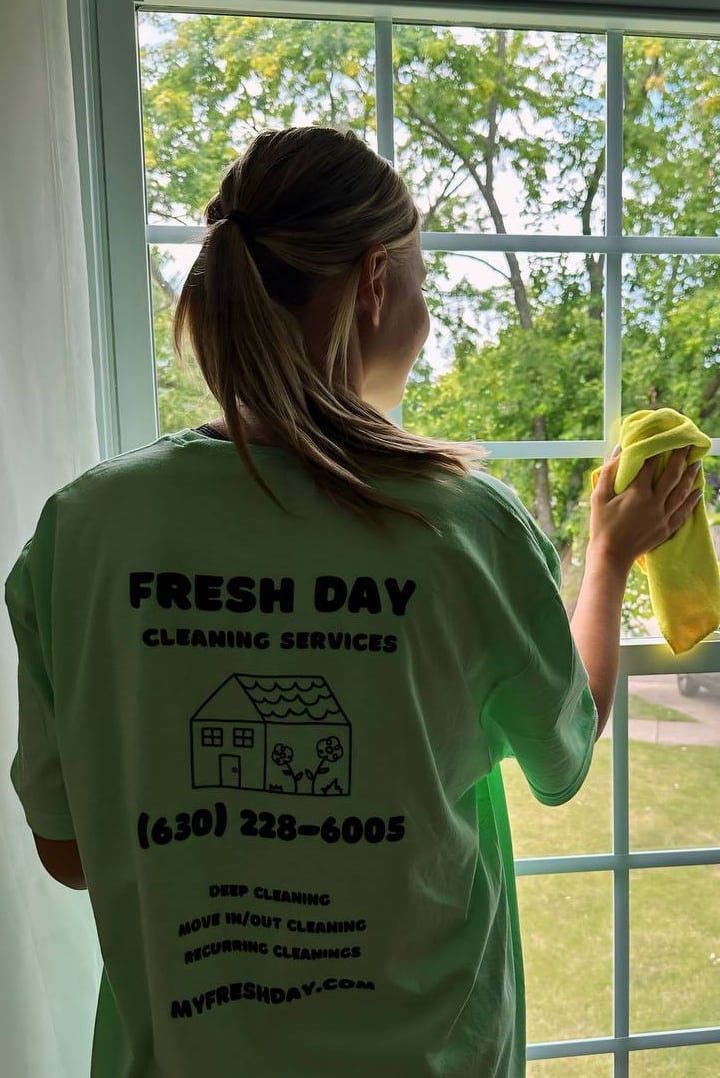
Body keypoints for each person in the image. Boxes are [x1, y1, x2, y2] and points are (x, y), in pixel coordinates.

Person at [6, 126, 700, 1078]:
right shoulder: (463, 527)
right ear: (376, 280)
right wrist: (610, 560)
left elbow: (70, 851)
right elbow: (562, 752)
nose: (426, 310)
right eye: (423, 277)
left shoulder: (83, 529)